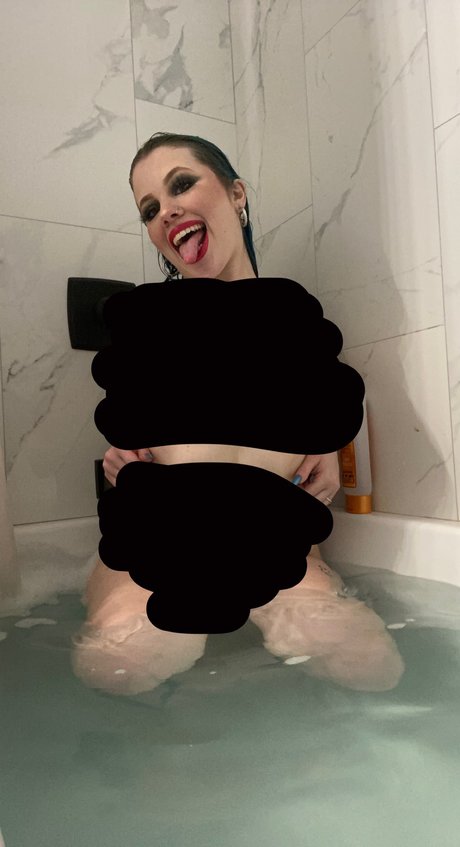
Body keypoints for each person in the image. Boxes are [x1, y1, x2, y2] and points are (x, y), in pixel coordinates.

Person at [71, 133, 404, 695]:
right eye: (150, 209)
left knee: (369, 666)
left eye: (182, 184)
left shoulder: (293, 322)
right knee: (118, 667)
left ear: (236, 193)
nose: (166, 211)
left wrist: (329, 445)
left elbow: (329, 407)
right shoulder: (149, 330)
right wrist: (120, 460)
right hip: (162, 542)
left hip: (275, 544)